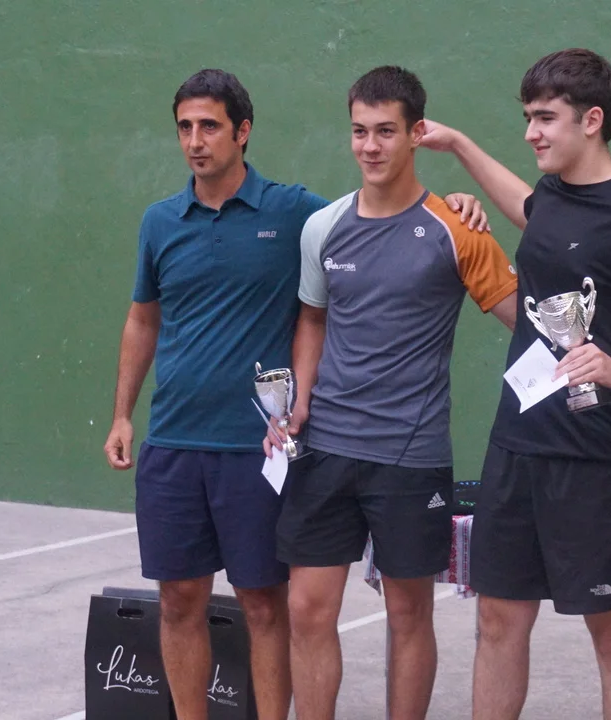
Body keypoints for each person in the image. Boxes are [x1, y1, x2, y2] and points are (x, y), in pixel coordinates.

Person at [101, 68, 487, 720]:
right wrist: (122, 415)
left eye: (210, 126)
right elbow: (143, 319)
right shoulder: (159, 222)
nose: (195, 141)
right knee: (178, 600)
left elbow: (380, 212)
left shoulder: (295, 213)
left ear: (242, 132)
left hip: (262, 448)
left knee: (264, 604)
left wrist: (454, 205)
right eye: (185, 128)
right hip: (173, 441)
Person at [418, 48, 611, 720]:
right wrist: (460, 146)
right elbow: (532, 212)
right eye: (528, 118)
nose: (531, 132)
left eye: (544, 118)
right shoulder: (555, 195)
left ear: (591, 120)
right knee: (497, 621)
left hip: (600, 461)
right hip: (518, 447)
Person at [268, 65, 517, 720]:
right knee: (306, 608)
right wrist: (298, 402)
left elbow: (523, 315)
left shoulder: (457, 227)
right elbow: (313, 318)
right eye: (359, 131)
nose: (370, 146)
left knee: (408, 613)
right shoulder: (323, 227)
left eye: (385, 131)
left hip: (411, 458)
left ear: (415, 134)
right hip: (325, 449)